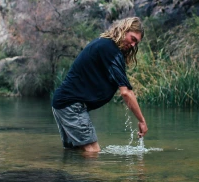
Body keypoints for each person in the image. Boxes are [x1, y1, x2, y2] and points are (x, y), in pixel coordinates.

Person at [52, 17, 148, 153]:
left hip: (64, 103)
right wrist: (142, 121)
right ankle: (94, 175)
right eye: (133, 39)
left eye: (136, 43)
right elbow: (126, 92)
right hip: (72, 105)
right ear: (124, 30)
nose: (133, 45)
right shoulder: (110, 50)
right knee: (93, 151)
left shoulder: (105, 45)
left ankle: (69, 174)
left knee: (75, 153)